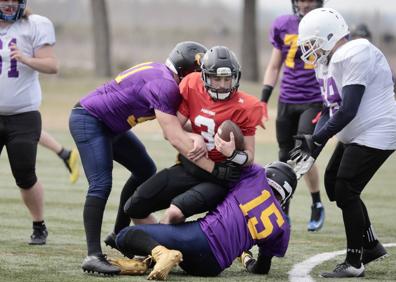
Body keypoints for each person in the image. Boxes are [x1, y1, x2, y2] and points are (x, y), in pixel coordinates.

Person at [69, 41, 241, 275]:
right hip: (89, 120)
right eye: (199, 74)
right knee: (101, 184)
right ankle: (92, 255)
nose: (202, 81)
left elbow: (181, 124)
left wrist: (200, 133)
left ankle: (118, 233)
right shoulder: (165, 85)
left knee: (144, 169)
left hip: (111, 126)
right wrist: (214, 168)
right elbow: (172, 134)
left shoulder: (163, 76)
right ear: (186, 71)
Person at [291, 7, 396, 278]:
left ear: (327, 35)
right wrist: (312, 147)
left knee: (346, 187)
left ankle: (354, 261)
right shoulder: (327, 63)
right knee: (333, 184)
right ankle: (370, 244)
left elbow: (348, 109)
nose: (309, 50)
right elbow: (331, 110)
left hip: (378, 130)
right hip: (356, 131)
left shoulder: (356, 52)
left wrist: (317, 139)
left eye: (312, 43)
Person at [119, 46, 263, 232]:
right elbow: (173, 129)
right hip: (189, 167)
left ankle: (164, 250)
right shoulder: (192, 85)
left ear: (236, 77)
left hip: (219, 177)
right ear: (203, 76)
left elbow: (249, 157)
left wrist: (233, 154)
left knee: (174, 214)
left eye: (227, 79)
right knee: (134, 207)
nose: (221, 85)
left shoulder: (247, 106)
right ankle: (159, 250)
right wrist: (193, 135)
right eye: (216, 78)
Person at [112, 162, 297, 280]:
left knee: (125, 235)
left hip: (200, 238)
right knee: (177, 249)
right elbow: (262, 269)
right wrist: (248, 261)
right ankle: (151, 259)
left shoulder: (254, 176)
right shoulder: (283, 226)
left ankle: (159, 254)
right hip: (212, 267)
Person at [260, 0, 325, 231]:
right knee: (284, 155)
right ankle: (283, 209)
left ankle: (316, 203)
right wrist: (264, 99)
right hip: (287, 98)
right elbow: (274, 66)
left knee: (303, 152)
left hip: (313, 99)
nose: (305, 4)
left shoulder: (324, 23)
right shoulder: (283, 24)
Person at [0, 0, 58, 245]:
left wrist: (25, 58)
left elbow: (52, 65)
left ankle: (39, 224)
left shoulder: (35, 25)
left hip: (23, 115)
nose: (11, 4)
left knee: (24, 174)